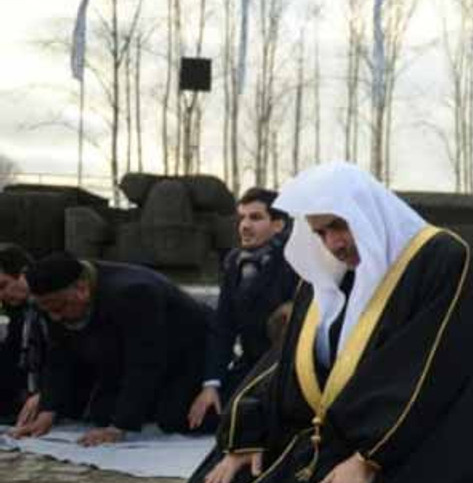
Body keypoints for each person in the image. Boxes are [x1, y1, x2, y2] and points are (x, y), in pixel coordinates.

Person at [188, 162, 473, 483]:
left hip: (419, 441)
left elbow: (429, 373)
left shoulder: (443, 259)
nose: (333, 244)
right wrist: (247, 433)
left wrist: (368, 457)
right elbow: (283, 362)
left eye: (339, 226)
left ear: (364, 211)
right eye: (320, 233)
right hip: (342, 434)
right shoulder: (334, 272)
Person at [11, 252, 211, 445]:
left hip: (190, 350)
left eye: (58, 309)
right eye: (48, 311)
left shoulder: (133, 293)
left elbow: (144, 361)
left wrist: (119, 428)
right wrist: (47, 412)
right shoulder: (56, 299)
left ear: (82, 289)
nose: (55, 318)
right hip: (128, 351)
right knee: (102, 414)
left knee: (174, 418)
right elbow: (59, 354)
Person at [188, 187, 298, 430]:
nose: (245, 226)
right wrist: (211, 385)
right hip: (249, 364)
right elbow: (223, 326)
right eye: (242, 218)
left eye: (255, 218)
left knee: (250, 424)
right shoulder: (234, 263)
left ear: (278, 225)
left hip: (287, 370)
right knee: (201, 418)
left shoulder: (296, 263)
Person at [0, 244, 44, 422]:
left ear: (24, 273)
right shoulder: (12, 311)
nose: (1, 295)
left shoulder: (50, 307)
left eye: (3, 285)